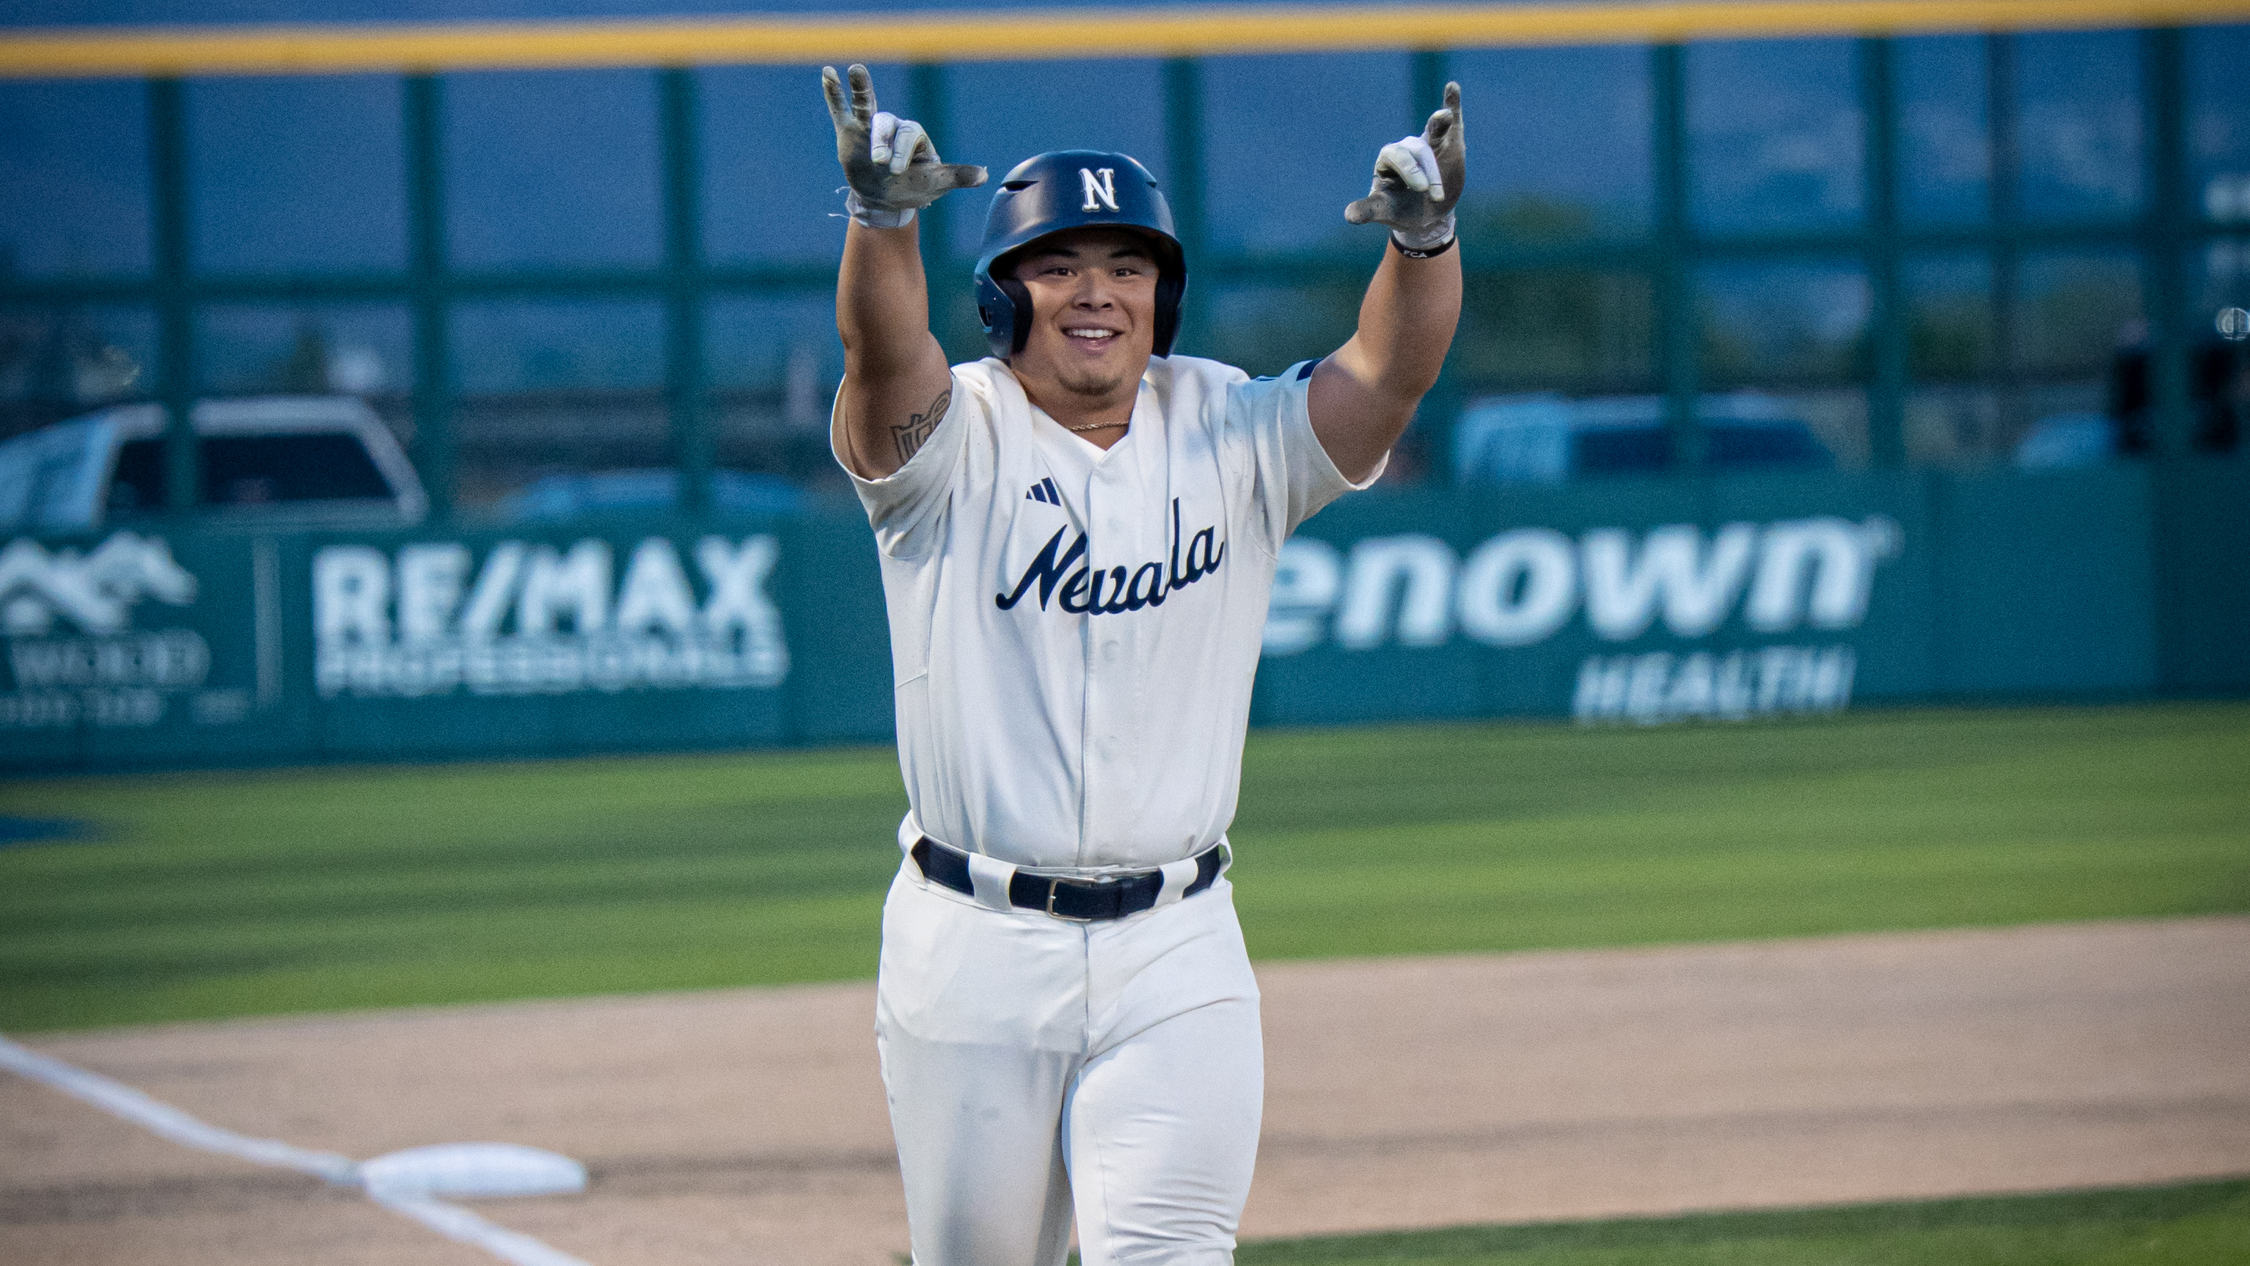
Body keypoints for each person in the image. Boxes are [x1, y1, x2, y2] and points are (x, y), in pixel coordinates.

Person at [820, 62, 1464, 1266]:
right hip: (974, 939)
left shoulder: (1233, 427)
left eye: (1128, 265)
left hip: (1178, 938)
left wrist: (1424, 245)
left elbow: (1390, 374)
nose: (1096, 292)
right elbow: (879, 352)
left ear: (1165, 297)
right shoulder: (949, 441)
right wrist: (882, 223)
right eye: (1058, 264)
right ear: (1002, 298)